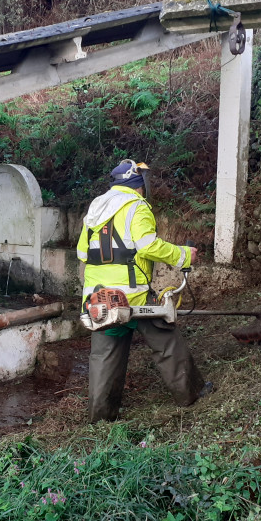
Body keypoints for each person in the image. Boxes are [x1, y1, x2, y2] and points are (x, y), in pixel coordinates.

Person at [76, 159, 209, 423]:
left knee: (104, 353)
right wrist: (183, 255)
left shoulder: (95, 208)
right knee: (166, 337)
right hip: (133, 295)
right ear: (138, 185)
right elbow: (148, 246)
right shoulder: (137, 206)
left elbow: (82, 252)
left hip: (100, 298)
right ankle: (190, 392)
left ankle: (101, 419)